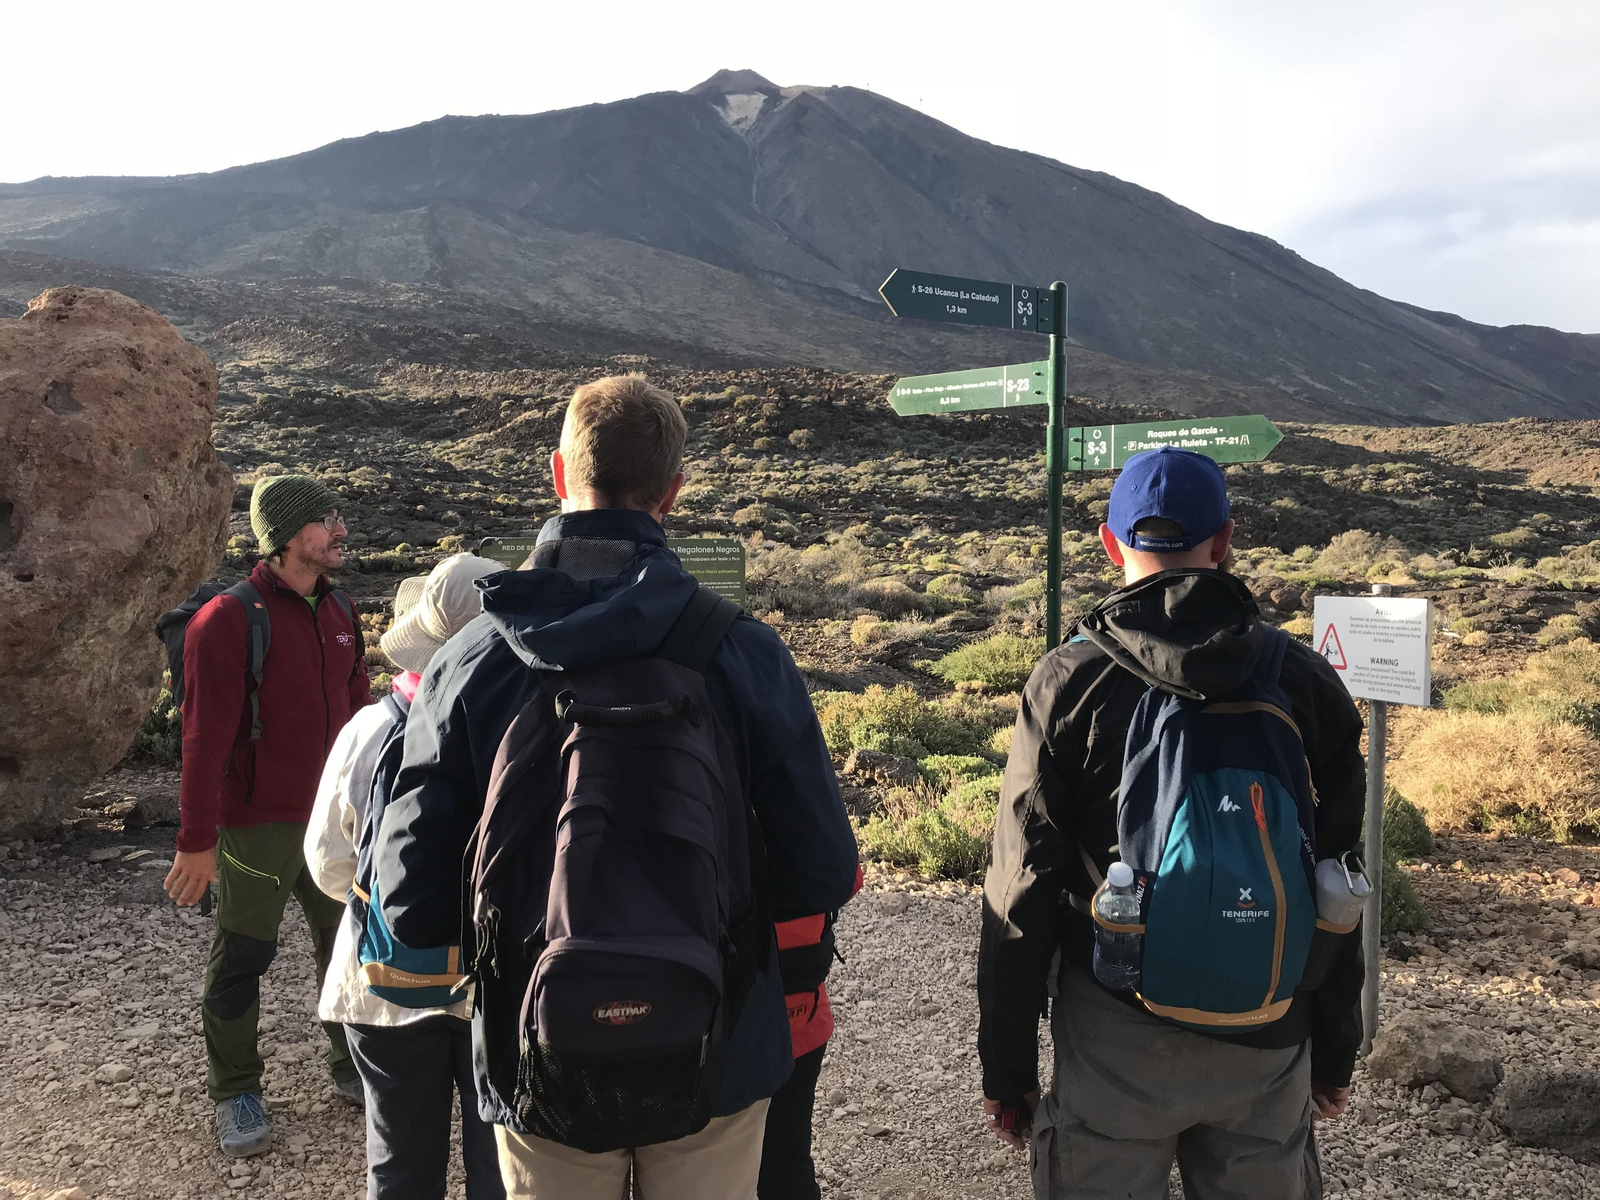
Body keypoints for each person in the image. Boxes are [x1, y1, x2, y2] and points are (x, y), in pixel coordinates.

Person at [375, 373, 859, 1200]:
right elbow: (820, 867)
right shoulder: (743, 651)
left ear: (558, 475)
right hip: (718, 1041)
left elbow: (408, 899)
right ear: (673, 491)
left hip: (539, 1048)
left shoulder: (470, 663)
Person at [977, 447, 1365, 1200]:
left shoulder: (1069, 681)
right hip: (1271, 1023)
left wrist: (1009, 1070)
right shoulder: (1302, 678)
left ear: (1110, 543)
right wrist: (1334, 1052)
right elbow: (1341, 883)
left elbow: (1020, 887)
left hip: (1117, 1031)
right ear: (1224, 542)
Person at [163, 475, 372, 1158]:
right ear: (285, 536)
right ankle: (236, 1090)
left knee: (346, 951)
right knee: (243, 958)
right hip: (257, 826)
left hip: (335, 821)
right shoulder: (226, 620)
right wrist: (195, 844)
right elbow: (203, 741)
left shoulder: (341, 609)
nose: (339, 530)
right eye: (323, 520)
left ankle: (352, 1068)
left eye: (337, 515)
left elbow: (363, 720)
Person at [305, 553, 507, 1200]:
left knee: (397, 1169)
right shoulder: (529, 726)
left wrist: (394, 902)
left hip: (384, 978)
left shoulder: (368, 730)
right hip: (495, 985)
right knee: (498, 1171)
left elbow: (329, 864)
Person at [759, 866, 862, 1200]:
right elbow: (845, 874)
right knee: (785, 1165)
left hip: (688, 1028)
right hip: (799, 1015)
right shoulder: (792, 811)